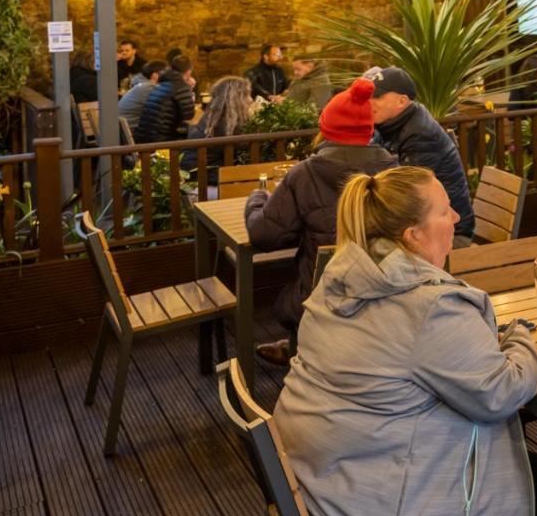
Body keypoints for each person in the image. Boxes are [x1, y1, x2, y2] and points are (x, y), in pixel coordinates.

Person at [270, 163, 537, 516]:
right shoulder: (429, 307)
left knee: (494, 443)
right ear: (413, 234)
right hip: (363, 507)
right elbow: (502, 392)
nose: (457, 215)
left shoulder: (343, 273)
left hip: (317, 480)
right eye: (445, 210)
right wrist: (523, 335)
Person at [244, 78, 397, 364]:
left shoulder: (306, 174)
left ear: (327, 129)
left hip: (319, 298)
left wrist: (257, 199)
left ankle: (302, 354)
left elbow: (264, 236)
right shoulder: (395, 172)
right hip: (386, 292)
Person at [371, 67, 475, 246]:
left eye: (377, 97)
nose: (369, 102)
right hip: (427, 225)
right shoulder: (390, 125)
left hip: (450, 232)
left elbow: (411, 196)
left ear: (402, 101)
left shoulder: (419, 134)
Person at [183, 76, 253, 180]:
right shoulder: (225, 124)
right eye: (247, 95)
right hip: (202, 180)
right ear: (236, 99)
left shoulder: (215, 117)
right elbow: (245, 150)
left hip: (198, 174)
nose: (251, 100)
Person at [135, 55, 196, 144]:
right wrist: (189, 90)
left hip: (144, 139)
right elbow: (189, 115)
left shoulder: (162, 83)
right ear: (188, 72)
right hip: (161, 142)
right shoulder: (180, 86)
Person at [117, 59, 167, 132]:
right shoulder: (149, 88)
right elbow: (166, 108)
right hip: (130, 132)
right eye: (166, 73)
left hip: (125, 129)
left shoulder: (143, 85)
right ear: (155, 75)